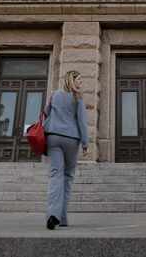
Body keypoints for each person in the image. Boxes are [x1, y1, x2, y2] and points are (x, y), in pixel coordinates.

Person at [43, 70, 88, 230]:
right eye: (79, 80)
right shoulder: (77, 97)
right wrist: (85, 143)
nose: (81, 83)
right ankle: (61, 216)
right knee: (67, 176)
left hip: (53, 137)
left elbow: (46, 113)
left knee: (56, 175)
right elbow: (82, 121)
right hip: (71, 138)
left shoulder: (54, 94)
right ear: (73, 80)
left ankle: (53, 215)